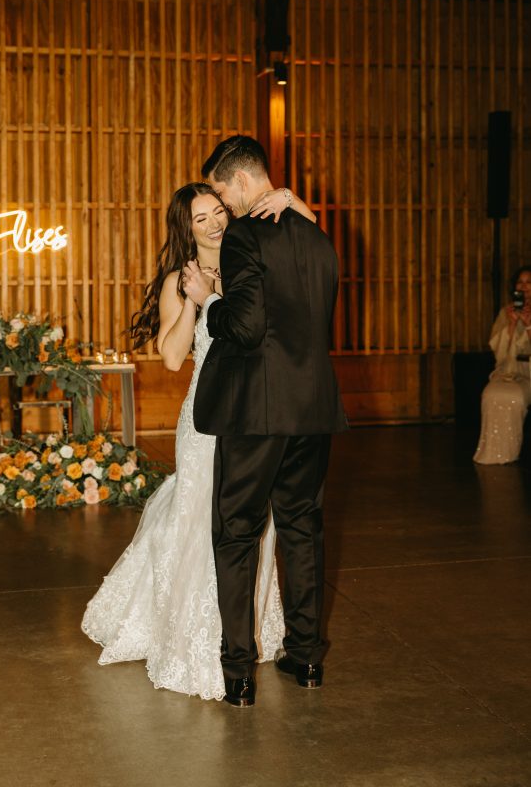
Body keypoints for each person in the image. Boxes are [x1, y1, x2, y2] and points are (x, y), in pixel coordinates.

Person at [81, 180, 316, 701]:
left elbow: (313, 248)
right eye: (200, 219)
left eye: (217, 212)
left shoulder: (254, 262)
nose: (213, 223)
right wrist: (194, 299)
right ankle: (194, 637)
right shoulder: (178, 278)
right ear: (186, 230)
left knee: (255, 524)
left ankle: (242, 631)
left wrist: (295, 202)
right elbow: (170, 356)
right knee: (198, 520)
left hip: (258, 414)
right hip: (208, 416)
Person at [183, 135, 348, 708]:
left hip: (257, 411)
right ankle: (305, 657)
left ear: (245, 180)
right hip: (314, 409)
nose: (222, 206)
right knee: (301, 529)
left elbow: (248, 327)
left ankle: (238, 673)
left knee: (236, 534)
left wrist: (209, 300)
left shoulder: (246, 235)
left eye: (224, 191)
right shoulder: (318, 236)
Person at [473, 266, 531, 465]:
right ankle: (496, 454)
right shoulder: (505, 312)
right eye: (520, 282)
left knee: (515, 397)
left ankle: (513, 451)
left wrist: (529, 325)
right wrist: (512, 324)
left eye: (529, 282)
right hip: (508, 370)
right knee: (493, 394)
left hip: (529, 373)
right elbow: (498, 350)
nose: (524, 287)